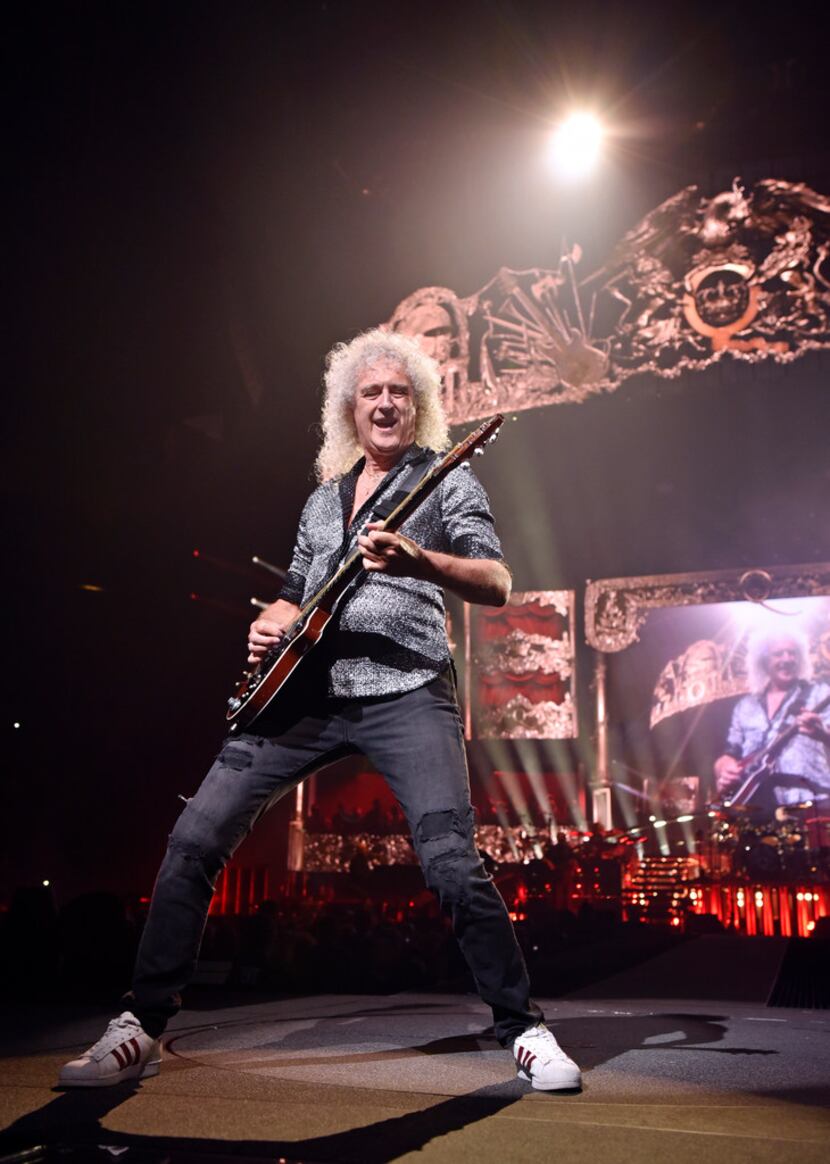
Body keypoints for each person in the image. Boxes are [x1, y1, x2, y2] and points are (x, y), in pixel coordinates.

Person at [59, 329, 580, 1092]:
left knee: (450, 864)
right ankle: (139, 1021)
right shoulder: (321, 503)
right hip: (306, 694)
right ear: (348, 408)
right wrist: (270, 619)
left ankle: (523, 1027)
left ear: (420, 405)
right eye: (370, 391)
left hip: (408, 690)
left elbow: (496, 581)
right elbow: (296, 592)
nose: (385, 402)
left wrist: (419, 560)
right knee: (195, 837)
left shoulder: (445, 480)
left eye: (399, 391)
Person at [714, 631, 830, 814]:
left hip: (812, 802)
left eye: (793, 653)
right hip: (756, 809)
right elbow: (729, 753)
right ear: (763, 661)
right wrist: (724, 770)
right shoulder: (745, 706)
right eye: (779, 653)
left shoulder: (820, 694)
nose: (787, 658)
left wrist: (823, 734)